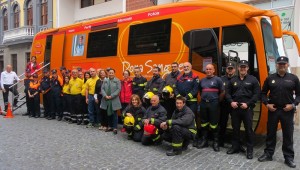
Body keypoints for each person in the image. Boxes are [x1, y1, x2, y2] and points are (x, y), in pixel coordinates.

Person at [258, 56, 300, 168]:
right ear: (276, 65)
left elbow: (299, 95)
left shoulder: (294, 78)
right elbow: (262, 94)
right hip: (274, 110)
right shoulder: (270, 78)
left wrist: (293, 105)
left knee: (288, 135)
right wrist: (267, 104)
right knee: (271, 133)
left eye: (284, 64)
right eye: (280, 64)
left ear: (287, 65)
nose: (282, 65)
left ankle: (288, 158)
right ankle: (268, 154)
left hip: (287, 111)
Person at [226, 60, 260, 159]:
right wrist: (231, 102)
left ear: (248, 68)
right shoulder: (233, 80)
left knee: (249, 130)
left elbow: (256, 94)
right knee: (235, 129)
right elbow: (227, 92)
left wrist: (248, 104)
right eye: (241, 67)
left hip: (247, 108)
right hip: (235, 108)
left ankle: (249, 150)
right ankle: (235, 146)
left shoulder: (253, 79)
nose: (243, 68)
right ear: (238, 68)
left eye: (244, 67)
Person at [197, 64, 224, 152]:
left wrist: (217, 101)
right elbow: (200, 91)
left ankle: (215, 142)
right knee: (204, 123)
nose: (208, 70)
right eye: (207, 69)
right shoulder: (202, 80)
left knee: (214, 123)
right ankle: (204, 141)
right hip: (204, 103)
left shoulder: (218, 80)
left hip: (214, 104)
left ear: (213, 70)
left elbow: (223, 92)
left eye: (210, 69)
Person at [175, 62, 199, 146]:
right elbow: (176, 89)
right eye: (184, 67)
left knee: (192, 120)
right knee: (181, 119)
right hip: (181, 104)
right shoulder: (179, 77)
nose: (185, 68)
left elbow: (195, 89)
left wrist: (186, 98)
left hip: (191, 103)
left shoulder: (195, 77)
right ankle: (183, 137)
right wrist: (179, 97)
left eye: (187, 66)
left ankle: (194, 138)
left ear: (191, 67)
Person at [219, 62, 236, 147]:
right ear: (226, 69)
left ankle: (235, 143)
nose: (230, 70)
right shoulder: (221, 79)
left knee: (235, 124)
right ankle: (220, 141)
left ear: (234, 70)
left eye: (231, 68)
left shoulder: (237, 79)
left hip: (234, 105)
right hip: (224, 104)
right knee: (222, 123)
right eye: (228, 68)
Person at [100, 68, 121, 134]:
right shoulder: (105, 80)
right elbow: (102, 88)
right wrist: (105, 95)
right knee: (108, 113)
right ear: (108, 73)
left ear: (114, 73)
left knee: (114, 114)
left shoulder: (117, 81)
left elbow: (118, 89)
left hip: (114, 99)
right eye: (110, 73)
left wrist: (111, 96)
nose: (111, 74)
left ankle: (114, 127)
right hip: (106, 99)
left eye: (112, 73)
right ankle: (109, 126)